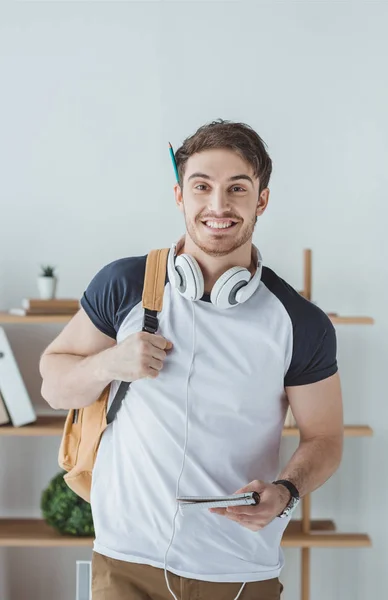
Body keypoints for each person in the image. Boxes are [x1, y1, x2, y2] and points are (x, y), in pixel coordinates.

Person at [39, 119, 343, 600]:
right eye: (202, 186)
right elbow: (54, 386)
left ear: (261, 199)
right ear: (180, 195)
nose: (218, 206)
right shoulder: (124, 285)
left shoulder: (299, 322)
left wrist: (286, 492)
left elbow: (324, 437)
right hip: (124, 561)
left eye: (237, 189)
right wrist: (109, 365)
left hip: (239, 569)